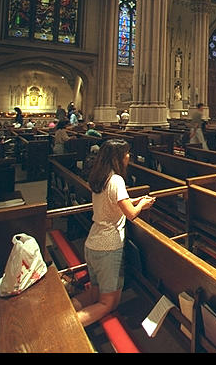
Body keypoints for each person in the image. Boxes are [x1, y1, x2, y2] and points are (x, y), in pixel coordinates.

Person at [73, 139, 155, 326]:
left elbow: (114, 203)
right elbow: (131, 214)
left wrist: (135, 200)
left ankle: (63, 310)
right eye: (126, 153)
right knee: (108, 303)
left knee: (94, 293)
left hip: (92, 243)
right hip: (108, 248)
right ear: (117, 157)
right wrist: (142, 204)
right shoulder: (117, 180)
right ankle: (66, 328)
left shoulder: (100, 177)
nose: (128, 156)